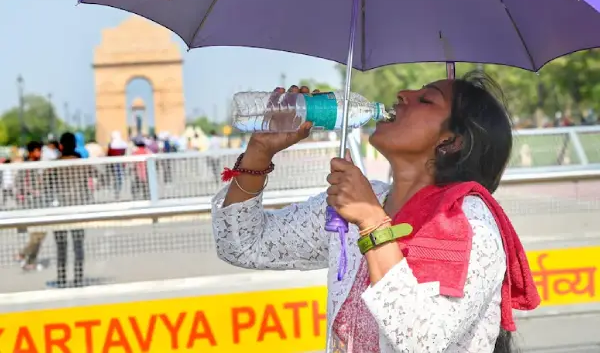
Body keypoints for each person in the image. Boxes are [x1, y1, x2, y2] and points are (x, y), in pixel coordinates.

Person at [211, 75, 540, 353]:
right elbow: (244, 245)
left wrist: (371, 221)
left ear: (450, 141)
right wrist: (259, 152)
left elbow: (422, 340)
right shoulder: (364, 201)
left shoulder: (468, 221)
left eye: (426, 100)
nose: (402, 95)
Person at [44, 132, 96, 287]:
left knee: (61, 246)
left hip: (60, 210)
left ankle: (61, 278)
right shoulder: (82, 163)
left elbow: (45, 185)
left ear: (61, 145)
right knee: (78, 245)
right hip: (78, 208)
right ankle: (78, 278)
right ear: (75, 145)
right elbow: (103, 176)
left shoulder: (54, 165)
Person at [15, 140, 48, 271]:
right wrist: (30, 191)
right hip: (30, 205)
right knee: (37, 235)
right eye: (36, 150)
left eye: (40, 150)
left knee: (41, 234)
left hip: (41, 203)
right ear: (30, 152)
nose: (39, 153)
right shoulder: (26, 167)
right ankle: (23, 254)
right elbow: (19, 184)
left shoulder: (39, 166)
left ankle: (30, 261)